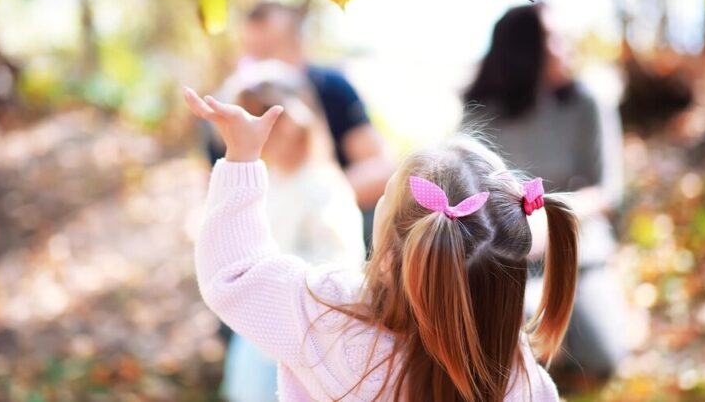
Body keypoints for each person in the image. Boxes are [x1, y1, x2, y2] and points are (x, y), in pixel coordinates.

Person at [183, 86, 580, 401]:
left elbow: (234, 273)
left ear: (391, 257)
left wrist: (241, 157)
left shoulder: (328, 313)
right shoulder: (519, 377)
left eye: (385, 196)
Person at [462, 3, 627, 378]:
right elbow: (465, 189)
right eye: (554, 37)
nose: (566, 46)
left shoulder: (586, 104)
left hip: (575, 250)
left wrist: (547, 222)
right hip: (502, 254)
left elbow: (608, 190)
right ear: (523, 47)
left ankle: (543, 337)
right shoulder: (480, 114)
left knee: (603, 356)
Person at [215, 60, 366, 401]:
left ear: (292, 125)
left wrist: (280, 284)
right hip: (259, 328)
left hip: (304, 333)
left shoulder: (322, 186)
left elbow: (339, 263)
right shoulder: (266, 179)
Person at [207, 2, 394, 243]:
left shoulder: (332, 89)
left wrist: (313, 198)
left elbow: (381, 168)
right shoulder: (232, 110)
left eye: (270, 49)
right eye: (253, 52)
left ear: (297, 46)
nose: (261, 63)